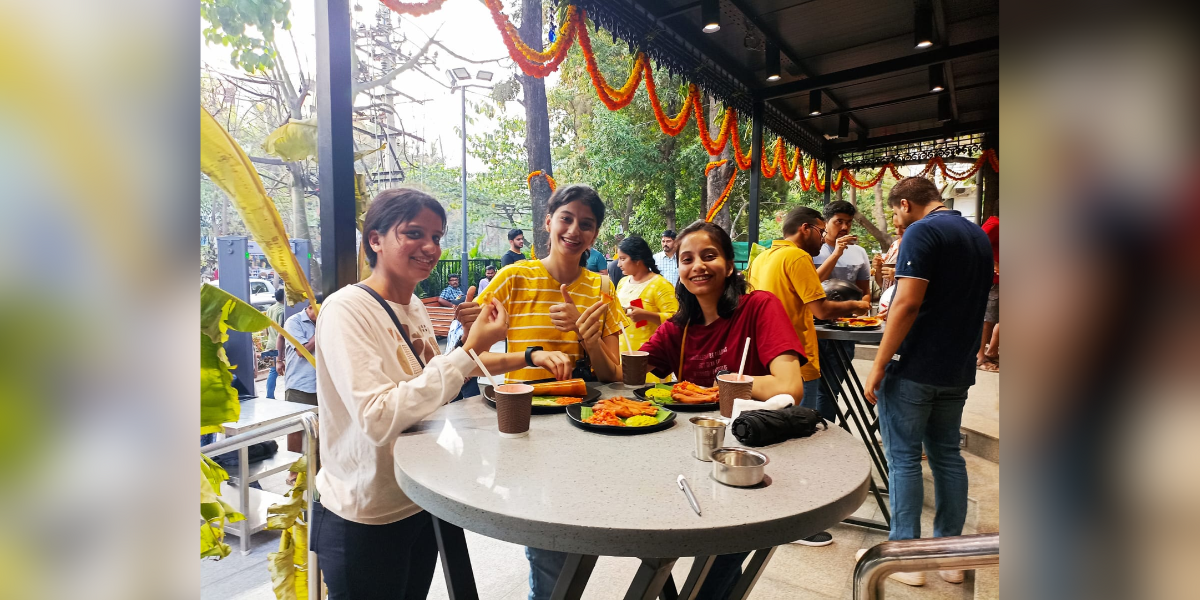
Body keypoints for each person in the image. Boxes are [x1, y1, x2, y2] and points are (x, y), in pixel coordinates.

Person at [310, 188, 572, 600]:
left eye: (437, 236)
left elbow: (436, 374)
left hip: (419, 494)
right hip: (365, 512)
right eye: (413, 233)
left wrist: (531, 355)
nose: (430, 247)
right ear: (375, 239)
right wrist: (471, 349)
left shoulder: (411, 305)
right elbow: (378, 418)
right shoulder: (347, 310)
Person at [634, 221, 807, 599]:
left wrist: (722, 383)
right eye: (687, 258)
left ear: (729, 265)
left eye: (709, 256)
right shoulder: (678, 327)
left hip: (752, 454)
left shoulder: (760, 306)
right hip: (695, 457)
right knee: (658, 544)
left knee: (722, 556)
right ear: (678, 268)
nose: (698, 265)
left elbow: (790, 386)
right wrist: (594, 336)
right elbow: (629, 376)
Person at [474, 184, 630, 600]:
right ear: (548, 223)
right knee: (545, 540)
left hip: (583, 426)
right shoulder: (513, 278)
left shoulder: (601, 288)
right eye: (566, 218)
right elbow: (472, 358)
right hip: (525, 426)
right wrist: (532, 355)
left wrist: (586, 333)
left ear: (595, 234)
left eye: (587, 224)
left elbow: (612, 375)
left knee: (575, 530)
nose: (574, 230)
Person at [861, 177, 993, 587]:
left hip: (914, 366)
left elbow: (908, 300)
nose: (898, 222)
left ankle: (906, 558)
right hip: (956, 368)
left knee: (902, 459)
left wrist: (879, 364)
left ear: (904, 204)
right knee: (947, 457)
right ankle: (951, 557)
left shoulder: (923, 231)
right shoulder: (977, 235)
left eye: (896, 213)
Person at [744, 207, 869, 547]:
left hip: (767, 359)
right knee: (802, 439)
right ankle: (800, 520)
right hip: (796, 361)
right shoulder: (797, 258)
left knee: (777, 437)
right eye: (820, 229)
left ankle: (772, 509)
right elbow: (822, 309)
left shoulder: (764, 257)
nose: (825, 236)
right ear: (806, 229)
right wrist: (857, 307)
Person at [811, 200, 873, 427]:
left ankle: (826, 435)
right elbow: (811, 283)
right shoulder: (813, 248)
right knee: (814, 386)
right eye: (839, 222)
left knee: (833, 387)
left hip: (845, 328)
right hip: (815, 326)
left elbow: (865, 293)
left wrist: (862, 305)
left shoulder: (859, 253)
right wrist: (836, 253)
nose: (845, 227)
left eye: (848, 222)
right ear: (825, 223)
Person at [614, 236, 678, 381]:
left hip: (648, 359)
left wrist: (647, 315)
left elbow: (676, 321)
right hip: (621, 354)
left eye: (623, 259)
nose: (618, 264)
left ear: (638, 260)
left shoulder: (660, 285)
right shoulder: (623, 283)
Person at [280, 292, 322, 454]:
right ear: (310, 307)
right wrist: (320, 329)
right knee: (296, 427)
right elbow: (301, 350)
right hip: (300, 385)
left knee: (318, 427)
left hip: (321, 385)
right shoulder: (294, 322)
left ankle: (314, 466)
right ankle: (294, 470)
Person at [977, 216, 1000, 371]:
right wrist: (995, 264)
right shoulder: (995, 224)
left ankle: (991, 352)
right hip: (993, 280)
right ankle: (980, 358)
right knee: (988, 318)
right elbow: (977, 244)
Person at [263, 287, 286, 399]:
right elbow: (281, 333)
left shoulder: (270, 309)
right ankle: (270, 396)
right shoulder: (283, 310)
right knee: (275, 371)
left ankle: (269, 395)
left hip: (269, 345)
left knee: (271, 372)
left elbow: (266, 329)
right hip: (277, 347)